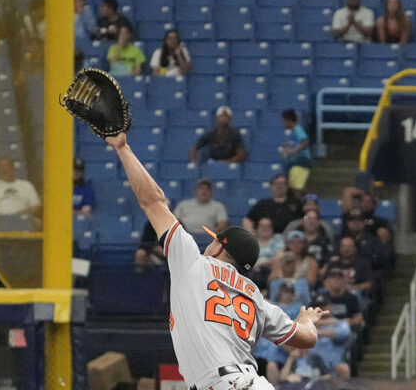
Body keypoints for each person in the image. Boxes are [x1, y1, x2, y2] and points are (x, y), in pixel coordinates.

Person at [104, 131, 329, 390]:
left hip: (224, 383)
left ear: (221, 246)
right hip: (252, 382)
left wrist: (122, 148)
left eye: (213, 239)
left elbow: (153, 200)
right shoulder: (256, 297)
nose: (208, 243)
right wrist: (307, 319)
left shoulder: (192, 262)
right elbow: (307, 338)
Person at [308, 296, 352, 378]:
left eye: (324, 306)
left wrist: (319, 329)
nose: (321, 309)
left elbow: (340, 334)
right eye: (318, 307)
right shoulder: (308, 325)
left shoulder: (340, 323)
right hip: (310, 368)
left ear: (330, 306)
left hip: (332, 368)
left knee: (344, 368)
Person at [341, 208, 389, 277]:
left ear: (364, 222)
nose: (356, 222)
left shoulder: (374, 241)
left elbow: (381, 263)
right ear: (348, 223)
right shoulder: (341, 240)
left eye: (359, 219)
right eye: (352, 219)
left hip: (369, 276)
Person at [280, 109, 312, 185]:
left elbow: (305, 142)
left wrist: (293, 151)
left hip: (302, 159)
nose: (283, 124)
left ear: (289, 120)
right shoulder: (294, 131)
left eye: (284, 121)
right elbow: (296, 142)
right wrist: (287, 145)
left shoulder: (297, 129)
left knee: (293, 184)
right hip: (298, 159)